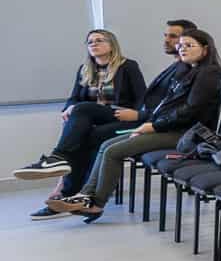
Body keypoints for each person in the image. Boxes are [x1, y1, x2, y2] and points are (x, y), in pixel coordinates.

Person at [48, 28, 221, 223]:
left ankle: (96, 203)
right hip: (169, 128)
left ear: (205, 49)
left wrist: (153, 126)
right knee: (106, 145)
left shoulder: (210, 73)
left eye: (189, 45)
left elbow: (190, 110)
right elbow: (168, 106)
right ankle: (84, 196)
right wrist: (151, 122)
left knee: (114, 151)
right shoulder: (188, 71)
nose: (182, 49)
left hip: (187, 134)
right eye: (181, 45)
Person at [17, 29, 146, 212]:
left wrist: (137, 114)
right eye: (90, 42)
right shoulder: (85, 69)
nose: (93, 44)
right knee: (84, 133)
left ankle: (61, 172)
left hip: (122, 119)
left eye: (99, 40)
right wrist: (69, 107)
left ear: (112, 45)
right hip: (95, 123)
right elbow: (74, 98)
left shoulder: (128, 66)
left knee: (83, 111)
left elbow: (143, 97)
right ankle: (73, 197)